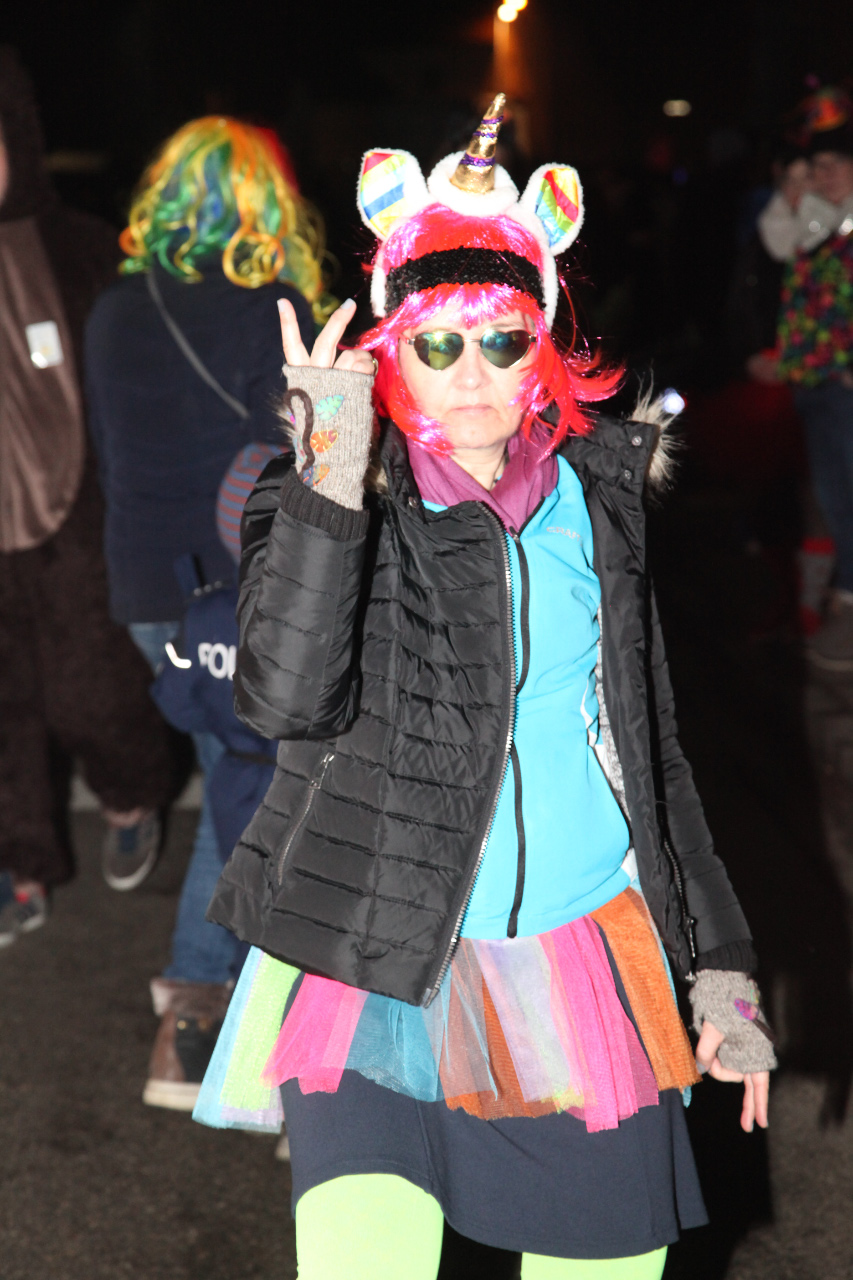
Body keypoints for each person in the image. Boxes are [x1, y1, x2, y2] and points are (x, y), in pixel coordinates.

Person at [195, 98, 776, 1279]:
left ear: (542, 350)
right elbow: (285, 699)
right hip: (377, 956)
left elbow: (649, 751)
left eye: (503, 341)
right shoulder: (335, 497)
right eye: (436, 344)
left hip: (576, 959)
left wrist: (720, 964)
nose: (471, 374)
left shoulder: (596, 507)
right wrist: (329, 466)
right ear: (392, 351)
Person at [85, 116, 329, 1096]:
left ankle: (199, 1019)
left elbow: (111, 453)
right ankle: (203, 1018)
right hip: (239, 588)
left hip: (148, 590)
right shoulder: (270, 308)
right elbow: (306, 455)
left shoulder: (113, 310)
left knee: (236, 774)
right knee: (254, 784)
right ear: (269, 203)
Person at [0, 46, 175, 946]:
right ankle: (20, 864)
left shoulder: (80, 247)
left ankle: (132, 796)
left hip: (78, 522)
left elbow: (147, 386)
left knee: (92, 697)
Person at [142, 444, 279, 1111]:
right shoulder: (315, 617)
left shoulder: (205, 613)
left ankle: (220, 1058)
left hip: (233, 782)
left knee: (241, 908)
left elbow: (175, 702)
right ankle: (298, 1098)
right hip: (298, 786)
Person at [757, 87, 853, 668]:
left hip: (842, 385)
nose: (826, 174)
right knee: (831, 493)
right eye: (819, 165)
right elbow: (779, 259)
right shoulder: (816, 225)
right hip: (812, 381)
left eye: (837, 162)